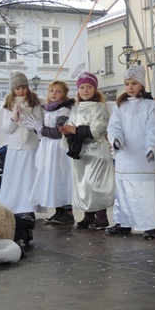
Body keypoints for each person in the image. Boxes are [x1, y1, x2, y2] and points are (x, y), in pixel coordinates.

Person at [106, 65, 155, 239]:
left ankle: (149, 225)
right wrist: (116, 139)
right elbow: (114, 126)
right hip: (126, 155)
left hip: (144, 156)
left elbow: (154, 128)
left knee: (145, 191)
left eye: (134, 83)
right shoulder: (120, 106)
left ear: (142, 85)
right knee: (124, 191)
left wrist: (152, 146)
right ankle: (123, 222)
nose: (130, 87)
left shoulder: (151, 105)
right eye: (127, 83)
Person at [59, 72, 114, 230]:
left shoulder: (100, 108)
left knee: (96, 183)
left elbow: (97, 130)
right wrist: (66, 131)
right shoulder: (76, 108)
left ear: (95, 89)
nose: (85, 90)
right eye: (82, 87)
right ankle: (88, 214)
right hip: (81, 152)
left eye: (89, 87)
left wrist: (74, 129)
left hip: (96, 151)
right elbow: (71, 124)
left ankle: (101, 216)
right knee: (83, 184)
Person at [0, 71, 44, 215]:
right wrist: (14, 119)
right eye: (18, 88)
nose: (21, 91)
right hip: (15, 147)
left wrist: (28, 120)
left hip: (30, 146)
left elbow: (39, 123)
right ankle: (13, 206)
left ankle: (29, 207)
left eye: (24, 87)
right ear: (13, 90)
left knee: (29, 178)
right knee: (14, 178)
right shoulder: (8, 105)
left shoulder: (34, 102)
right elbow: (6, 129)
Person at [28, 80, 75, 224]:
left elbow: (58, 132)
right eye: (51, 91)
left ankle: (67, 211)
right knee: (52, 178)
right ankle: (58, 211)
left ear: (65, 94)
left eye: (58, 91)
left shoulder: (64, 110)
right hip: (49, 148)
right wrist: (38, 129)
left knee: (60, 177)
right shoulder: (49, 109)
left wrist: (40, 128)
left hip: (58, 149)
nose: (54, 94)